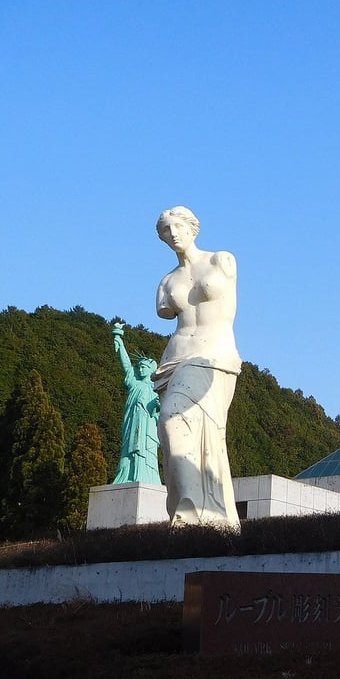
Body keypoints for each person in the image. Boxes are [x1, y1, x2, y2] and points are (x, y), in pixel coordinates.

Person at [151, 206, 241, 527]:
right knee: (178, 431)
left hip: (214, 355)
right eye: (165, 230)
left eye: (177, 226)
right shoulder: (166, 282)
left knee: (175, 423)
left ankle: (190, 514)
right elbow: (166, 313)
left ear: (192, 228)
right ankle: (211, 518)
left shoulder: (221, 260)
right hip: (176, 359)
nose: (172, 234)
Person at [111, 323, 161, 485]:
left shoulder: (156, 389)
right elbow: (126, 365)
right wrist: (120, 340)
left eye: (144, 366)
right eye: (139, 366)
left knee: (146, 453)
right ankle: (126, 475)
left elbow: (158, 412)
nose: (140, 369)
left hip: (148, 428)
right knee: (127, 451)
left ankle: (147, 477)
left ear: (151, 369)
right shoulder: (135, 383)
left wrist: (158, 405)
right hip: (132, 422)